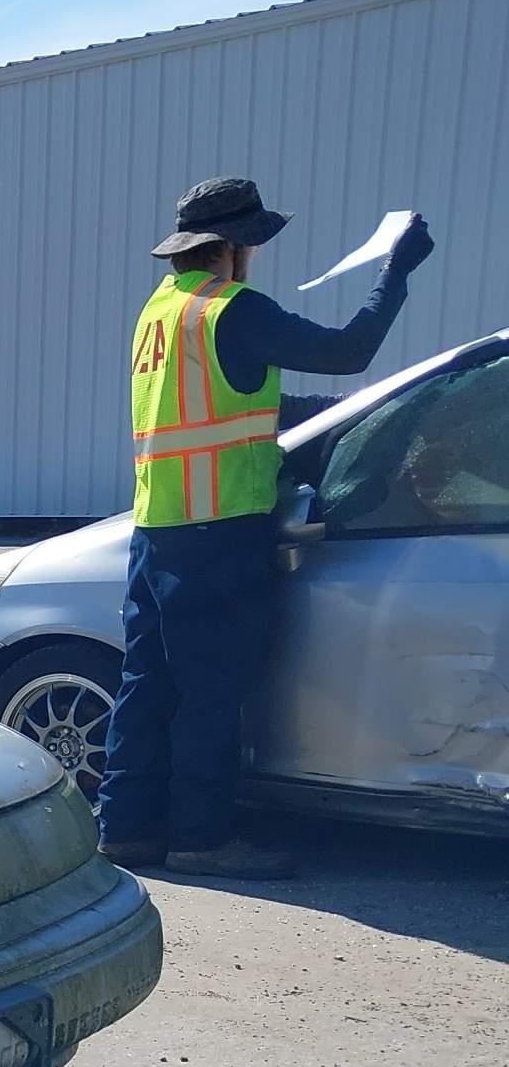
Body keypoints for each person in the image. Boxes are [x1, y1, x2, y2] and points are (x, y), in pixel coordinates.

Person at [95, 178, 434, 879]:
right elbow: (348, 348)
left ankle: (125, 831)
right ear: (237, 247)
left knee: (147, 684)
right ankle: (201, 839)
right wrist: (394, 273)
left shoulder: (160, 312)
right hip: (220, 528)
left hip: (158, 525)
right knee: (212, 690)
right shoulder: (233, 307)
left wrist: (353, 410)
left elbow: (239, 399)